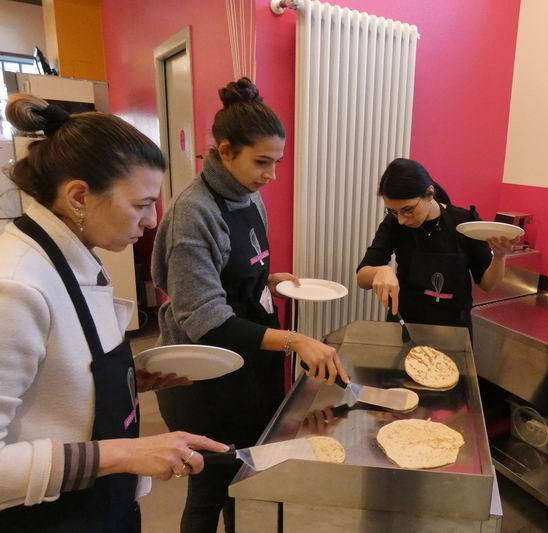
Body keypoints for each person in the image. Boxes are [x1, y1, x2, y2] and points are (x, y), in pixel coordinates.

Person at [0, 95, 228, 533]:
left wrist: (129, 380)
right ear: (79, 196)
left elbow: (53, 376)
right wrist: (124, 453)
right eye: (141, 204)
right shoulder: (16, 287)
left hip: (106, 505)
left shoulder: (77, 259)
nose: (152, 220)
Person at [152, 78, 349, 533]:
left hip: (249, 367)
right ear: (225, 151)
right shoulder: (193, 213)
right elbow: (206, 319)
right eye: (262, 162)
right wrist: (296, 340)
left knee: (247, 476)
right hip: (204, 378)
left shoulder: (247, 195)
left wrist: (265, 279)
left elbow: (231, 270)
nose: (271, 175)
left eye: (276, 162)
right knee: (212, 485)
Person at [357, 158, 512, 332]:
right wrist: (379, 271)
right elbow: (362, 277)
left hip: (454, 332)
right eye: (393, 211)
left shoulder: (464, 223)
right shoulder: (394, 224)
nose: (401, 220)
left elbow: (487, 285)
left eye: (407, 210)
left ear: (429, 194)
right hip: (406, 328)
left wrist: (499, 257)